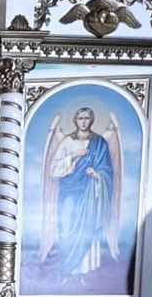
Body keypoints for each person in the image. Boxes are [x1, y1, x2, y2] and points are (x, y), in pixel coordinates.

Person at [41, 106, 121, 281]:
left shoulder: (99, 142)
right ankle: (67, 270)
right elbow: (53, 170)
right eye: (80, 118)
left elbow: (107, 171)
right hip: (69, 191)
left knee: (86, 228)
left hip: (89, 193)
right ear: (75, 120)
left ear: (91, 120)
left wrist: (97, 174)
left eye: (87, 118)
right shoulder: (67, 141)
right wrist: (73, 156)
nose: (83, 122)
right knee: (66, 228)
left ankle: (83, 273)